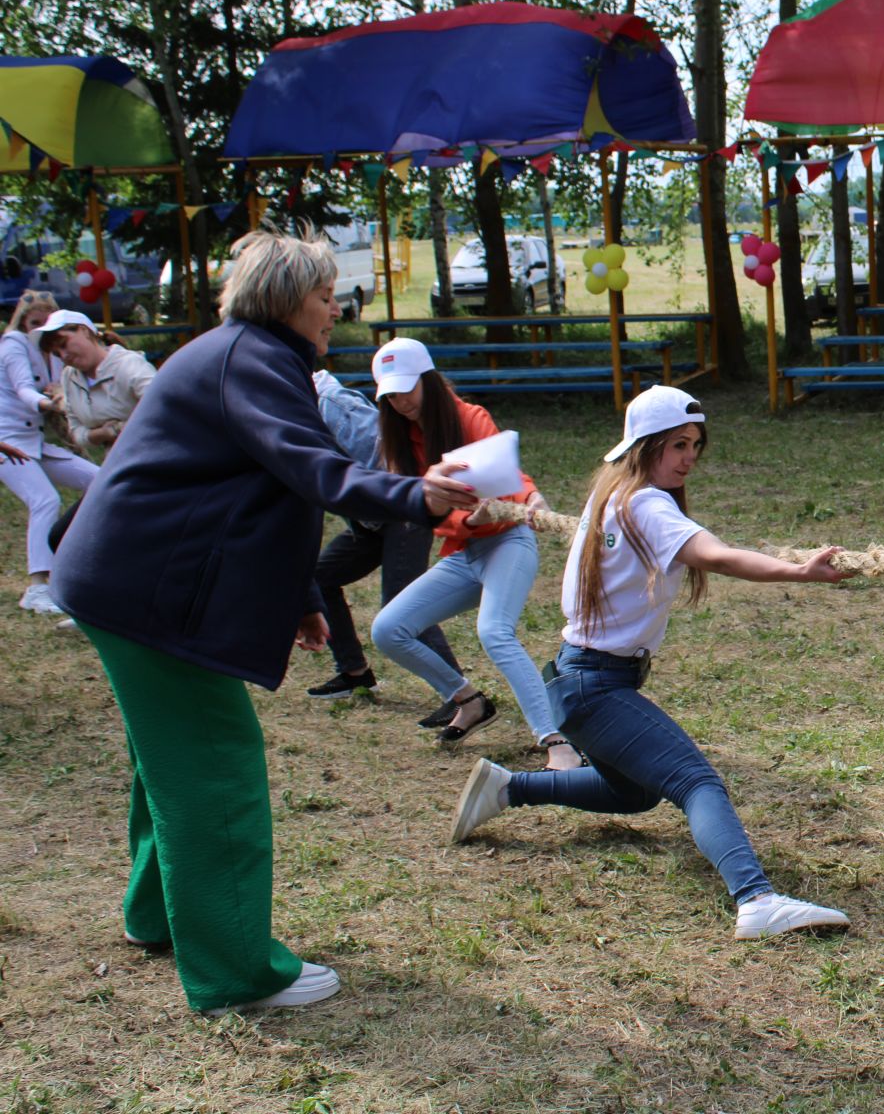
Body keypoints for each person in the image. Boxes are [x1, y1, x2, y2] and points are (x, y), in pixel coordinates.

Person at [48, 228, 478, 1015]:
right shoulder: (250, 359)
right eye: (323, 297)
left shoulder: (249, 356)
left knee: (169, 760)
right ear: (285, 299)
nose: (333, 310)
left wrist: (302, 600)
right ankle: (234, 972)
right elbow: (310, 466)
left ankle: (159, 919)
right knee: (214, 767)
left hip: (126, 583)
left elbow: (269, 490)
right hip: (144, 593)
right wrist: (413, 494)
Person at [447, 385, 855, 941]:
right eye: (677, 444)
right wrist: (800, 573)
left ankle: (506, 788)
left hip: (577, 681)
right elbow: (716, 555)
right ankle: (755, 898)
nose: (689, 457)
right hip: (593, 686)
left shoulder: (611, 494)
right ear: (643, 446)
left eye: (695, 445)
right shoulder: (646, 503)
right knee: (696, 782)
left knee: (635, 792)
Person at [366, 339, 576, 769]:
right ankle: (468, 699)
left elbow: (509, 474)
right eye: (390, 393)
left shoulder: (469, 417)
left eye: (407, 388)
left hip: (508, 543)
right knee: (388, 628)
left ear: (428, 380)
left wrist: (532, 498)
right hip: (463, 551)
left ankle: (558, 741)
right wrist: (469, 523)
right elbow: (428, 516)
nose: (401, 401)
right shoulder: (398, 442)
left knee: (494, 631)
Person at [306, 366, 463, 701]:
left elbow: (390, 456)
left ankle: (463, 696)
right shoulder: (296, 408)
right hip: (369, 521)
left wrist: (415, 504)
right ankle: (355, 673)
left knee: (402, 605)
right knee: (320, 578)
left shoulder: (332, 405)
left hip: (402, 512)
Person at [0, 292, 97, 614]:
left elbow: (60, 385)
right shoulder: (13, 344)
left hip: (33, 441)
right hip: (6, 441)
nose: (39, 329)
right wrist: (50, 402)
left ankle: (85, 563)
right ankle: (37, 587)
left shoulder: (52, 348)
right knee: (45, 500)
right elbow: (25, 389)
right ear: (22, 322)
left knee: (100, 481)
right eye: (34, 323)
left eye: (46, 323)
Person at [45, 312, 157, 452]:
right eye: (56, 354)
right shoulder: (69, 377)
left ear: (84, 331)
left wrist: (119, 429)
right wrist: (102, 434)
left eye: (64, 344)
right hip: (118, 463)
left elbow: (164, 411)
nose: (64, 356)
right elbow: (76, 432)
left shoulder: (128, 365)